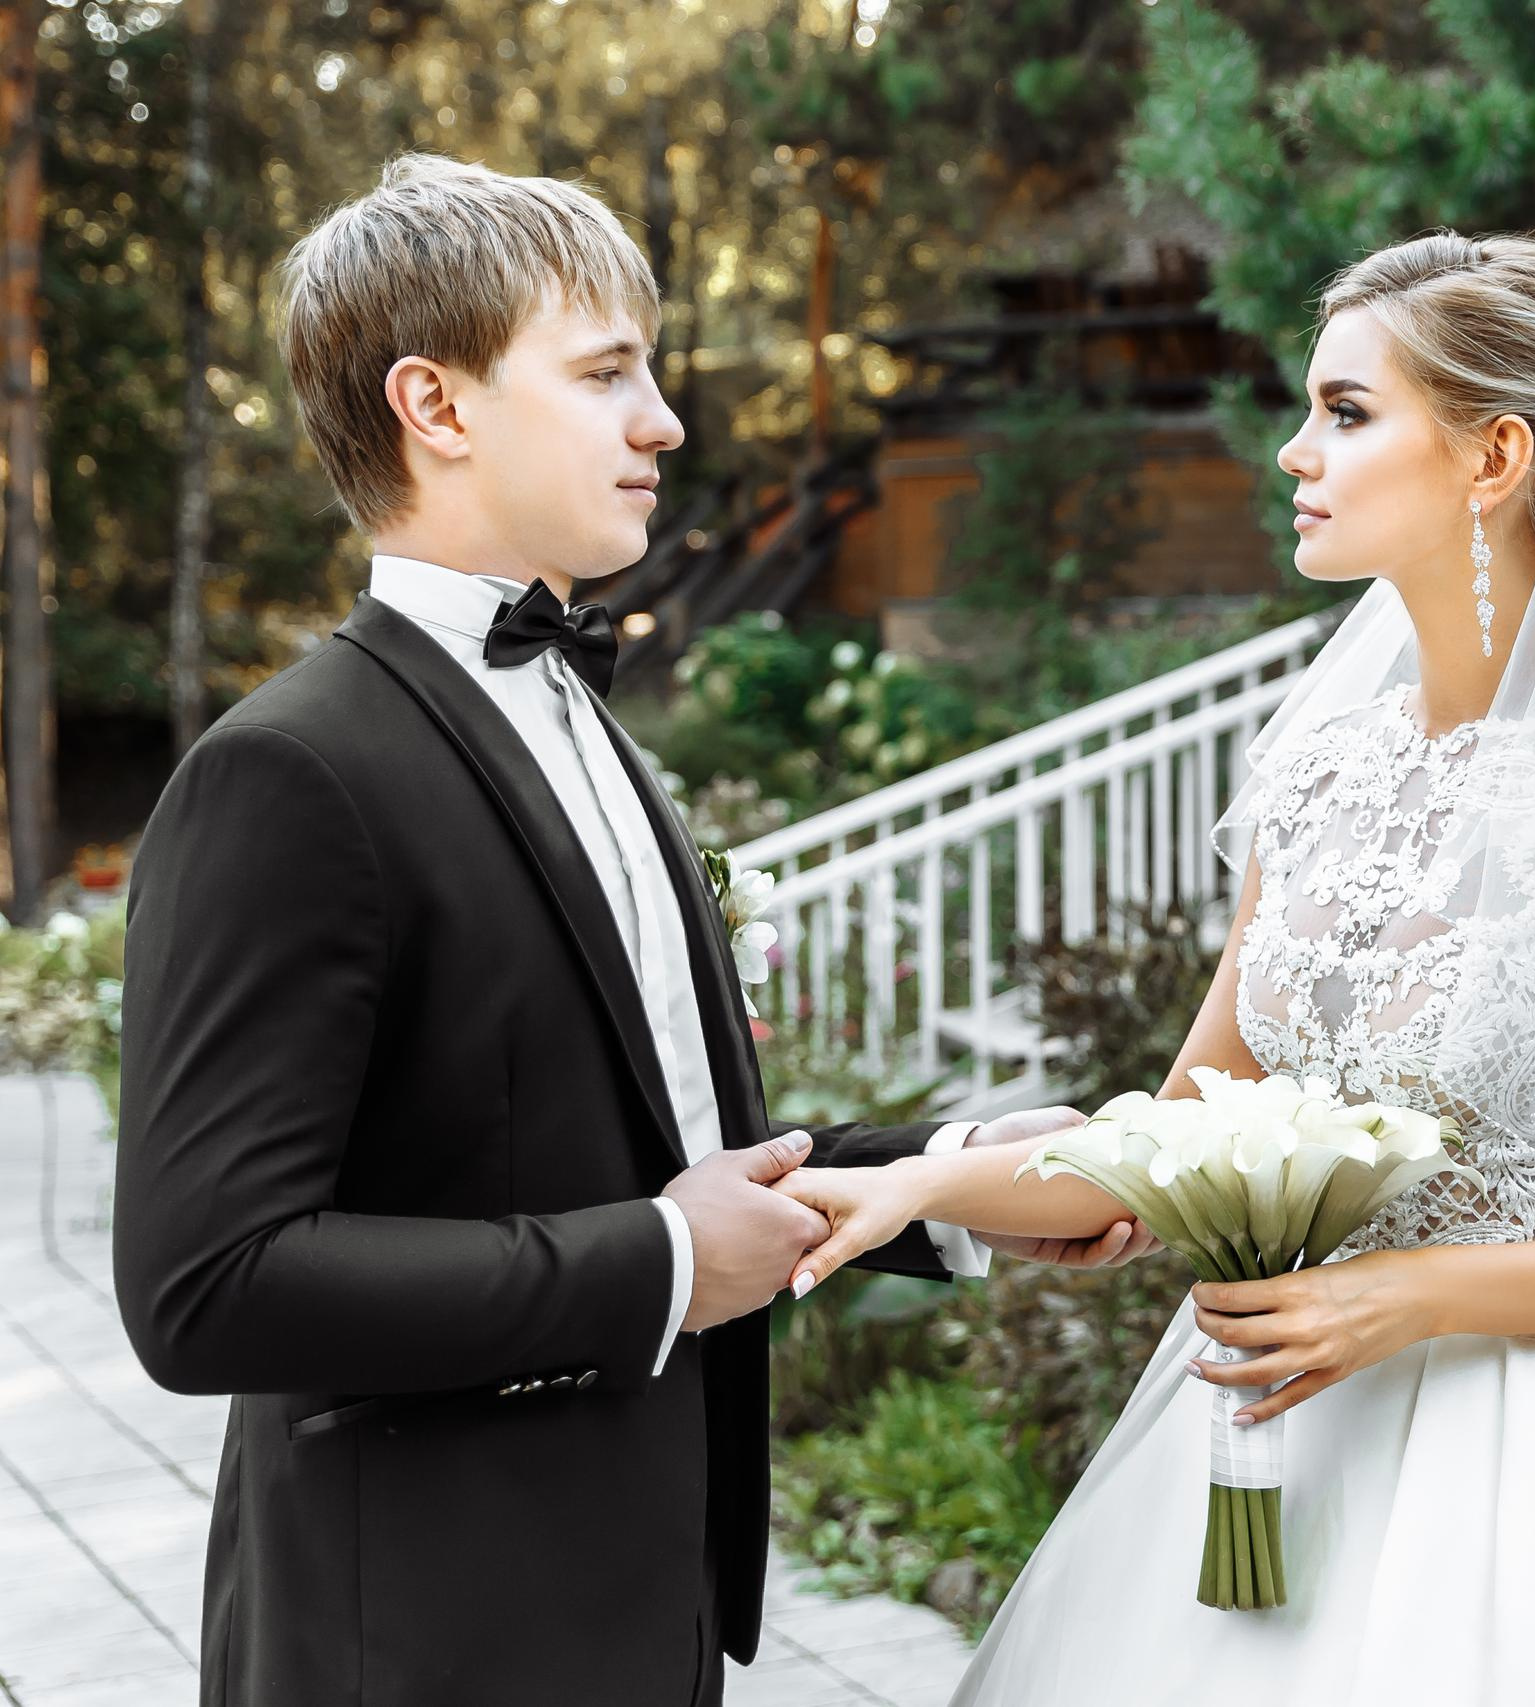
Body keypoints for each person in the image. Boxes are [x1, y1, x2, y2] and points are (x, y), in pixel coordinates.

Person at [777, 232, 1535, 1703]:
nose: (1295, 451)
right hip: (1272, 1444)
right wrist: (913, 1183)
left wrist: (1418, 1298)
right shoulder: (1319, 774)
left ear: (1492, 459)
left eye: (1346, 412)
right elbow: (1172, 1144)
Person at [110, 151, 1139, 1707]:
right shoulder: (289, 772)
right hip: (427, 1641)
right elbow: (209, 1285)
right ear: (436, 406)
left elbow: (649, 1145)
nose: (664, 419)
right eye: (606, 373)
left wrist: (949, 1185)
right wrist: (660, 1257)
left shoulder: (590, 725)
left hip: (641, 1608)